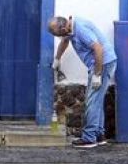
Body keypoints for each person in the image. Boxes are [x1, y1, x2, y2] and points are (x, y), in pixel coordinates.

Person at [47, 15, 117, 148]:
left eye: (58, 34)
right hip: (101, 64)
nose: (59, 37)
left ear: (63, 28)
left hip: (103, 64)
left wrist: (97, 74)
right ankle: (98, 134)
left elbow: (98, 48)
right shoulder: (69, 28)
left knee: (92, 101)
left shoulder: (80, 29)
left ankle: (89, 138)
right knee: (96, 100)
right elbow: (64, 42)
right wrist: (57, 59)